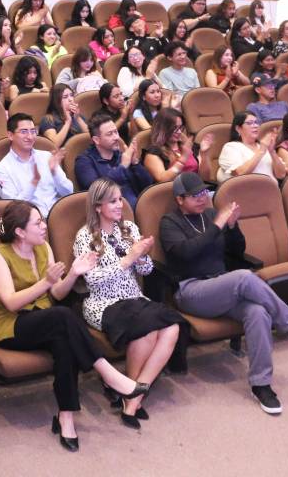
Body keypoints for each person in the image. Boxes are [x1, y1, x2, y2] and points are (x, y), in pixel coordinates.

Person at [159, 172, 288, 414]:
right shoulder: (170, 222)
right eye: (194, 195)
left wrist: (232, 227)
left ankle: (261, 384)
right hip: (191, 290)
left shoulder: (211, 215)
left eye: (203, 193)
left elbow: (238, 251)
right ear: (179, 199)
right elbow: (186, 253)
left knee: (258, 312)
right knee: (244, 277)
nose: (202, 198)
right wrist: (219, 225)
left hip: (221, 287)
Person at [0, 200, 149, 450]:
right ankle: (109, 374)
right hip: (10, 325)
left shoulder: (44, 248)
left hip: (44, 320)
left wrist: (73, 273)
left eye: (42, 221)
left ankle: (66, 417)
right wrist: (44, 283)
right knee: (62, 317)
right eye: (37, 223)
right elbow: (10, 303)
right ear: (19, 231)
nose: (43, 226)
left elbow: (58, 293)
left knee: (65, 340)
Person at [73, 179, 186, 426]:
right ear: (98, 206)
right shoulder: (85, 237)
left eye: (120, 198)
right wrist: (128, 259)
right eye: (113, 201)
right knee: (146, 329)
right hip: (103, 303)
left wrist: (143, 255)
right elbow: (93, 281)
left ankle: (134, 394)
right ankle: (131, 394)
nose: (120, 204)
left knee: (172, 326)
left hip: (134, 298)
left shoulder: (130, 229)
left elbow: (145, 271)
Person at [0, 113, 73, 216]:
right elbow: (15, 208)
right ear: (10, 135)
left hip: (59, 216)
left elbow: (68, 192)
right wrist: (34, 183)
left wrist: (55, 173)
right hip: (30, 223)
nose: (30, 137)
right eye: (24, 132)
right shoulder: (3, 168)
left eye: (33, 131)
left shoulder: (46, 157)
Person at [75, 112, 152, 209]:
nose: (116, 137)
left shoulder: (121, 155)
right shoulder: (84, 161)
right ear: (96, 140)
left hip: (139, 209)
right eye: (110, 134)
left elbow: (148, 185)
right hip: (111, 215)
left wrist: (135, 163)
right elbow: (98, 191)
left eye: (116, 132)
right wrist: (122, 167)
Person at [142, 108, 212, 182]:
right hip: (172, 192)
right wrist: (183, 158)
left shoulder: (187, 146)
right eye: (174, 128)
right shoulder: (153, 153)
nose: (179, 131)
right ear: (162, 128)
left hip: (196, 189)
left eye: (180, 127)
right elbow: (162, 180)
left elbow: (205, 178)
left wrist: (204, 155)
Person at [217, 111, 288, 183]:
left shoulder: (263, 146)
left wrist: (272, 152)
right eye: (250, 123)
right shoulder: (231, 147)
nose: (255, 126)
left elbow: (281, 175)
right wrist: (261, 151)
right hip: (247, 191)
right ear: (238, 128)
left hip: (271, 189)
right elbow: (240, 173)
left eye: (256, 122)